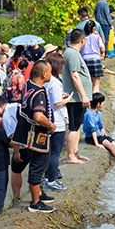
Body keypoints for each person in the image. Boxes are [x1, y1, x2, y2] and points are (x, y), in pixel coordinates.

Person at [12, 60, 57, 213]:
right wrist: (51, 125)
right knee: (37, 167)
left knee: (39, 165)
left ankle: (38, 193)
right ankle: (35, 203)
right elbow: (38, 116)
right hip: (37, 138)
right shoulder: (39, 93)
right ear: (44, 74)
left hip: (25, 136)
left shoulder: (28, 85)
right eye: (50, 71)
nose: (51, 74)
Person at [61, 29, 92, 165]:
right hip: (75, 97)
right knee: (73, 126)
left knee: (77, 125)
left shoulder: (71, 52)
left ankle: (75, 152)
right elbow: (74, 75)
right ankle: (70, 155)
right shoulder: (72, 54)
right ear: (82, 40)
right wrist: (84, 95)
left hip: (77, 97)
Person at [44, 53, 69, 192]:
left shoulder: (47, 80)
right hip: (56, 121)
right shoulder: (55, 82)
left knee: (49, 152)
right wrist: (68, 98)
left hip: (47, 119)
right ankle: (51, 180)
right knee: (55, 153)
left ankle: (48, 177)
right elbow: (57, 102)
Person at [83, 93, 115, 160]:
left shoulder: (98, 113)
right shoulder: (89, 114)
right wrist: (97, 143)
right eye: (103, 102)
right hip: (91, 137)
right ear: (98, 104)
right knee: (112, 146)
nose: (103, 103)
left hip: (100, 135)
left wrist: (106, 137)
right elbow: (93, 130)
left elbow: (101, 127)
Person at [81, 20, 106, 94]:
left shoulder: (83, 37)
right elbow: (102, 48)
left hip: (85, 60)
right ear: (93, 28)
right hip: (95, 59)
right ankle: (95, 103)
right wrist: (102, 54)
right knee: (96, 84)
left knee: (88, 83)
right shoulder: (96, 36)